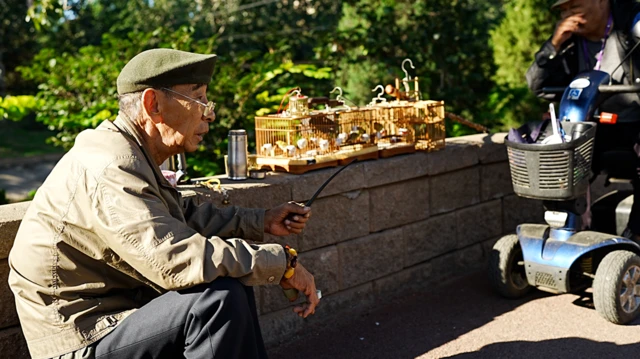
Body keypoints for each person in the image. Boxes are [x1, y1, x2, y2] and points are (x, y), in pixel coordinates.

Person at [8, 48, 320, 359]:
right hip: (80, 340)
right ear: (153, 104)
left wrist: (260, 220)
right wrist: (283, 263)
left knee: (229, 283)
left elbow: (179, 217)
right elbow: (172, 258)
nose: (209, 113)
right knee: (216, 300)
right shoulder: (112, 166)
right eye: (198, 99)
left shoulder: (130, 151)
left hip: (112, 318)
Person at [526, 0, 640, 240]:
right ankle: (568, 231)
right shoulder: (569, 42)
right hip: (591, 127)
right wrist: (554, 44)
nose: (570, 14)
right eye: (564, 10)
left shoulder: (630, 22)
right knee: (555, 147)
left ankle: (635, 236)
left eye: (575, 4)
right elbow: (536, 84)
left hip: (633, 124)